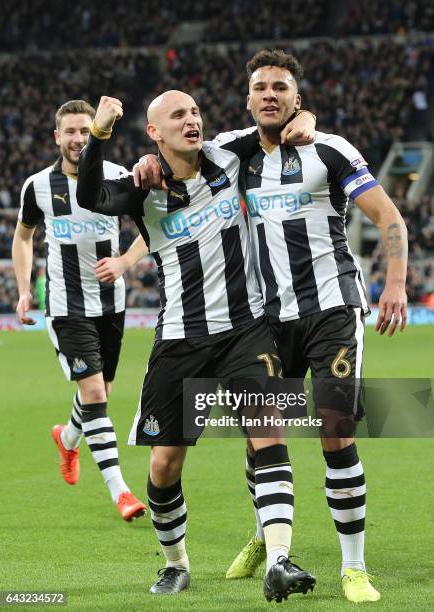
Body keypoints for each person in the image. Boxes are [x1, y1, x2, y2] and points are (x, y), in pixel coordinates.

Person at [134, 49, 408, 603]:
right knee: (261, 441)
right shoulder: (233, 153)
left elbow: (389, 218)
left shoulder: (329, 149)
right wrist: (146, 159)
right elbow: (176, 150)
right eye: (260, 87)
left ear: (296, 99)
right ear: (248, 99)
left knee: (336, 432)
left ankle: (354, 567)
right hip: (267, 320)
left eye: (280, 88)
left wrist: (396, 285)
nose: (269, 95)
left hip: (331, 308)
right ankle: (267, 537)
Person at [76, 92, 317, 601]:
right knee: (164, 465)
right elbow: (90, 196)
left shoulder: (230, 155)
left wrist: (307, 116)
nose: (193, 121)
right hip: (181, 342)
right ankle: (175, 563)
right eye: (178, 116)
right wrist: (99, 133)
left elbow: (287, 119)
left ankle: (278, 558)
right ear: (154, 133)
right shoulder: (141, 186)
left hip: (245, 331)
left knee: (267, 432)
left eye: (195, 112)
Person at [12, 99, 147, 522]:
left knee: (99, 393)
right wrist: (23, 290)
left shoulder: (117, 177)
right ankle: (120, 491)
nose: (77, 139)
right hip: (66, 305)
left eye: (85, 131)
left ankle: (68, 438)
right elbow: (22, 236)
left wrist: (125, 262)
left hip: (112, 303)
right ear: (57, 137)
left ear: (96, 133)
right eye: (70, 132)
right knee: (94, 394)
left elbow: (152, 227)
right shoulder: (37, 186)